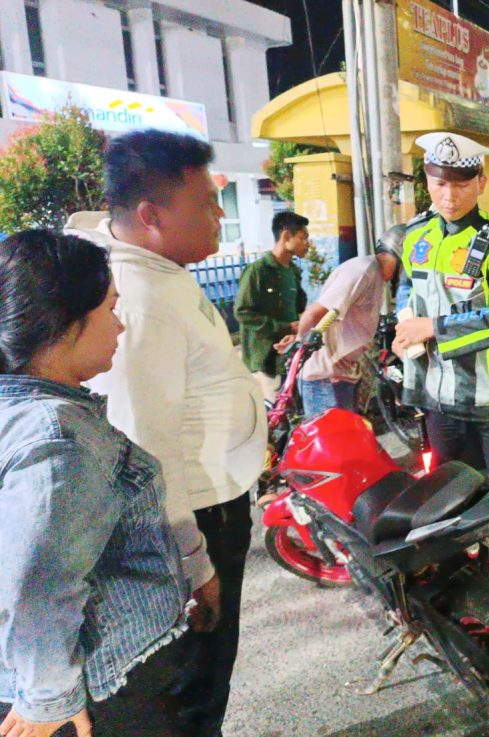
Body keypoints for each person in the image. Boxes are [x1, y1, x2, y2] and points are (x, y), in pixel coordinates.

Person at [66, 129, 266, 737]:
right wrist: (191, 561)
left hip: (209, 507)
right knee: (192, 686)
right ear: (151, 216)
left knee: (199, 682)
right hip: (196, 519)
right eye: (206, 203)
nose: (218, 215)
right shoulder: (142, 297)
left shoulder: (158, 269)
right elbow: (145, 449)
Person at [0, 230, 193, 737]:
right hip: (101, 689)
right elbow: (38, 586)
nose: (121, 325)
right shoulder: (57, 438)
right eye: (110, 308)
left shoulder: (20, 412)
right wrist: (50, 701)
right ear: (64, 323)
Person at [392, 131, 489, 606]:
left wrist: (432, 329)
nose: (449, 194)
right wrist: (404, 328)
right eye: (440, 182)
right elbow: (406, 297)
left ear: (481, 182)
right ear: (427, 180)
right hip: (442, 406)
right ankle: (468, 615)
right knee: (450, 513)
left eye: (461, 183)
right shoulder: (415, 236)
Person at [295, 225, 405, 417]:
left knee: (349, 440)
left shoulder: (376, 277)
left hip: (343, 375)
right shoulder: (362, 272)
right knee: (334, 443)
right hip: (325, 379)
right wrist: (299, 347)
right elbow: (313, 314)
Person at [236, 211, 309, 402]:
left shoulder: (293, 271)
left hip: (289, 357)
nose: (307, 244)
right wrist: (285, 327)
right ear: (286, 236)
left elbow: (300, 308)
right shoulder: (257, 271)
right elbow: (243, 312)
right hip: (265, 360)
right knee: (271, 416)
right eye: (303, 237)